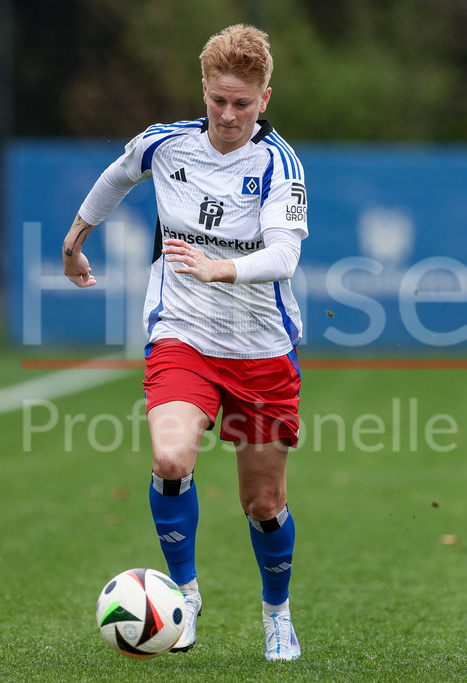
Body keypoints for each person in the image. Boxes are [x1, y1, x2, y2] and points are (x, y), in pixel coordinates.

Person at [62, 24, 307, 661]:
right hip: (183, 336)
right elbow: (116, 177)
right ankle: (186, 594)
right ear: (203, 90)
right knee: (171, 460)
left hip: (261, 349)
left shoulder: (279, 165)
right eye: (218, 101)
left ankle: (276, 614)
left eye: (243, 104)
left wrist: (224, 266)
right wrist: (75, 239)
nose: (228, 115)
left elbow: (284, 253)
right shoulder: (164, 146)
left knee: (263, 502)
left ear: (265, 99)